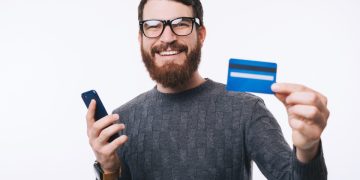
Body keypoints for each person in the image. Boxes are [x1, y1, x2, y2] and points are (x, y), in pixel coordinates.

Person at [85, 0, 330, 179]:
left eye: (181, 24)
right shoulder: (120, 121)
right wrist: (108, 170)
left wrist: (308, 148)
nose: (167, 37)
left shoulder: (245, 109)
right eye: (153, 25)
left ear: (200, 34)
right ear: (141, 38)